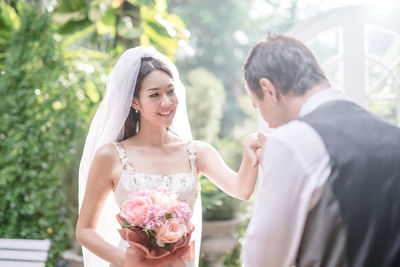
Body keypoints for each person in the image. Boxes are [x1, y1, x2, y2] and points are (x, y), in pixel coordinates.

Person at [76, 46, 261, 267]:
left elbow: (241, 190)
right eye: (155, 94)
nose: (167, 102)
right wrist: (127, 260)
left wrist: (251, 148)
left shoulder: (197, 153)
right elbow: (85, 230)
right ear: (135, 102)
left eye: (170, 91)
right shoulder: (111, 156)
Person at [241, 34, 400, 267]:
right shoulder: (393, 135)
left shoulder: (290, 143)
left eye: (258, 106)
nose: (267, 123)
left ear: (268, 89)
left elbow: (262, 261)